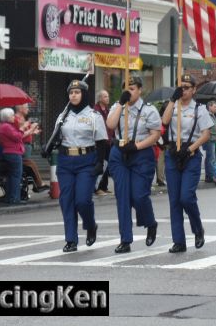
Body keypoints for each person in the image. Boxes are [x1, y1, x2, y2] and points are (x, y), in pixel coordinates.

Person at [106, 76, 162, 254]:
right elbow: (110, 124)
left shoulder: (149, 110)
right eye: (126, 88)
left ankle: (150, 223)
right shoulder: (118, 106)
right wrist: (120, 105)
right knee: (122, 196)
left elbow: (155, 135)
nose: (128, 91)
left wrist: (137, 146)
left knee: (139, 195)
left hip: (140, 153)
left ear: (139, 90)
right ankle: (125, 239)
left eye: (132, 88)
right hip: (120, 153)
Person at [161, 74, 214, 253]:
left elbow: (206, 134)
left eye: (186, 87)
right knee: (174, 200)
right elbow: (164, 121)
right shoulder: (173, 105)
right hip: (173, 154)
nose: (183, 90)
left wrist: (190, 149)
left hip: (190, 154)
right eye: (181, 87)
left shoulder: (199, 109)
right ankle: (179, 241)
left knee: (186, 197)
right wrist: (172, 99)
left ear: (193, 90)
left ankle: (198, 228)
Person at [55, 80, 107, 252]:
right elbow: (56, 137)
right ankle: (71, 239)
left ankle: (90, 225)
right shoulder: (63, 116)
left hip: (87, 161)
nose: (73, 95)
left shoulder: (94, 115)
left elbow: (102, 142)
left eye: (77, 92)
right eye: (71, 93)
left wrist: (100, 162)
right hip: (65, 161)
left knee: (83, 200)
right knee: (66, 200)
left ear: (84, 94)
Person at [14, 104, 48, 193]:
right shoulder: (17, 119)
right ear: (20, 108)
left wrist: (33, 131)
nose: (28, 109)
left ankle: (37, 183)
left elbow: (25, 132)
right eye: (26, 107)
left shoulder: (22, 119)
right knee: (28, 164)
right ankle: (37, 183)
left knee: (29, 164)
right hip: (23, 145)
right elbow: (19, 135)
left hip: (26, 145)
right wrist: (31, 129)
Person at [0, 108, 26, 204]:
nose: (14, 117)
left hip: (9, 152)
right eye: (12, 115)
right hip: (13, 153)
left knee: (11, 176)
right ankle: (14, 198)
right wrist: (22, 128)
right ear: (8, 117)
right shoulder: (7, 127)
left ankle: (9, 198)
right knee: (16, 176)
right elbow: (17, 137)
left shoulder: (4, 126)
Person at [93, 90, 114, 195]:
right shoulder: (95, 111)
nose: (107, 98)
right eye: (105, 96)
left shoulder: (108, 110)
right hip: (99, 142)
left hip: (108, 141)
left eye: (108, 96)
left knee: (106, 164)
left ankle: (104, 187)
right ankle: (97, 188)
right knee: (100, 164)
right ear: (100, 98)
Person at [203, 100, 216, 183]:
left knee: (210, 158)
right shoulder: (207, 115)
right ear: (209, 107)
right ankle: (211, 176)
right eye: (215, 106)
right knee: (211, 158)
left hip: (212, 139)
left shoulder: (212, 115)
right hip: (209, 139)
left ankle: (208, 176)